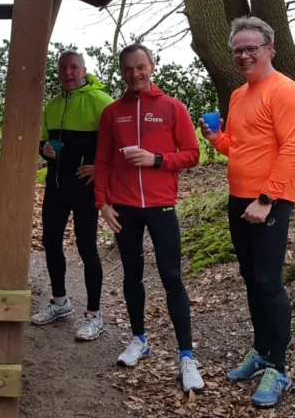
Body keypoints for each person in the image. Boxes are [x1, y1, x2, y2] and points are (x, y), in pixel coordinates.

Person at [201, 16, 295, 408]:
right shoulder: (238, 95)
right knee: (250, 278)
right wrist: (216, 138)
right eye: (238, 50)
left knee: (267, 281)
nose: (244, 55)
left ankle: (278, 367)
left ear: (269, 49)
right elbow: (239, 146)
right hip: (239, 199)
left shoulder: (285, 91)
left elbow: (292, 150)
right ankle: (261, 351)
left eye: (251, 48)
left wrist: (265, 199)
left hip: (269, 201)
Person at [95, 44, 203, 393]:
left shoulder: (172, 107)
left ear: (152, 67)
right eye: (128, 69)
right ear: (122, 72)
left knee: (172, 278)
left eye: (140, 67)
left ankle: (186, 357)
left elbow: (192, 154)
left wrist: (156, 159)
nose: (135, 74)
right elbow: (102, 161)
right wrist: (102, 204)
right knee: (132, 274)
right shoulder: (113, 113)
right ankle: (139, 339)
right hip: (124, 207)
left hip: (161, 206)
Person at [31, 50, 114, 341]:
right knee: (50, 242)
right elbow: (42, 142)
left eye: (74, 67)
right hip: (55, 186)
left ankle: (94, 315)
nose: (68, 73)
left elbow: (121, 144)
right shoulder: (53, 105)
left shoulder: (102, 102)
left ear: (84, 70)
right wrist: (44, 149)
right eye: (63, 68)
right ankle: (60, 302)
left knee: (86, 247)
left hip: (85, 188)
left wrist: (101, 168)